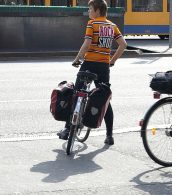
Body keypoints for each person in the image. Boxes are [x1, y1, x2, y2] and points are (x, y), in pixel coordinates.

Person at [57, 0, 127, 145]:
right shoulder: (112, 26)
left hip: (88, 64)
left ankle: (67, 129)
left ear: (97, 10)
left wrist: (77, 59)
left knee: (76, 94)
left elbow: (87, 43)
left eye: (90, 9)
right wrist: (112, 61)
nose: (89, 12)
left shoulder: (92, 24)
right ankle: (109, 135)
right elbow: (123, 45)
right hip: (103, 67)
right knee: (104, 98)